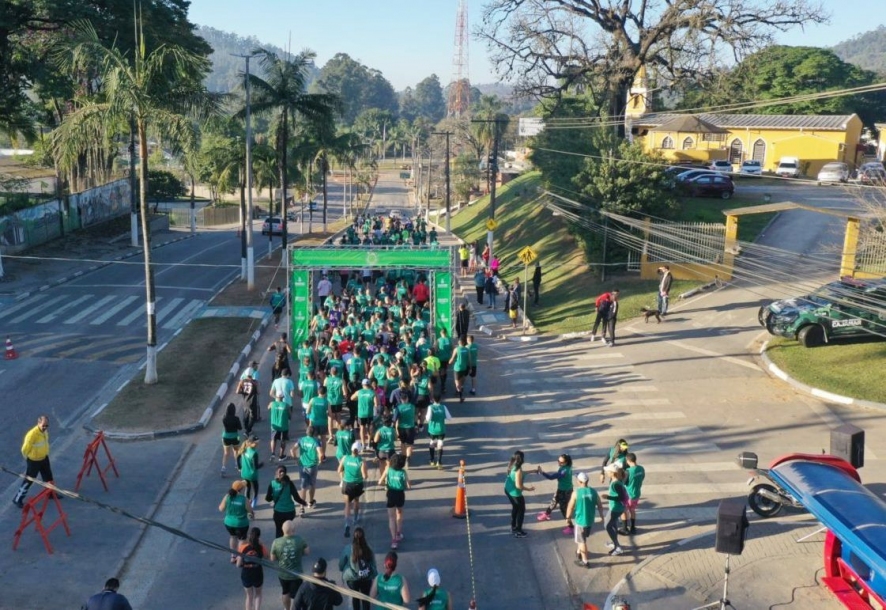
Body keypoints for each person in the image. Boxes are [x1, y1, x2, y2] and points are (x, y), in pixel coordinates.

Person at [565, 472, 605, 568]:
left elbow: (570, 507)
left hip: (580, 521)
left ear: (579, 481)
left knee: (582, 541)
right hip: (590, 520)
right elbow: (600, 505)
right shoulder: (593, 491)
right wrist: (602, 517)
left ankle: (585, 561)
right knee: (582, 538)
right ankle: (579, 552)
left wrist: (568, 518)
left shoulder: (576, 493)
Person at [13, 415, 54, 508]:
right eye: (43, 425)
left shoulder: (44, 432)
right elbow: (24, 450)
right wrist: (29, 460)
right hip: (34, 461)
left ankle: (50, 494)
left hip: (44, 458)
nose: (45, 428)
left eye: (47, 426)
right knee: (29, 480)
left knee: (48, 477)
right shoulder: (32, 434)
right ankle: (17, 499)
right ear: (38, 423)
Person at [271, 519, 310, 610]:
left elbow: (272, 558)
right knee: (297, 595)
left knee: (285, 592)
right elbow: (307, 552)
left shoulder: (276, 542)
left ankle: (286, 608)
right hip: (296, 574)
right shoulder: (300, 540)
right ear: (293, 530)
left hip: (283, 574)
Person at [339, 526, 377, 610]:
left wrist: (343, 571)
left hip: (353, 580)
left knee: (355, 597)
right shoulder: (368, 548)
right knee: (366, 598)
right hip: (366, 578)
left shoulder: (348, 548)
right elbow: (373, 564)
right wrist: (374, 577)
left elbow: (341, 564)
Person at [536, 454, 575, 534]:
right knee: (554, 502)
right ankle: (547, 514)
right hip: (562, 489)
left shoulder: (564, 471)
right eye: (558, 461)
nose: (559, 463)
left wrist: (542, 472)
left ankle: (571, 527)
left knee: (564, 509)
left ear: (566, 462)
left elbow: (551, 477)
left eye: (561, 462)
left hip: (565, 492)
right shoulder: (566, 467)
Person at [378, 453, 411, 550]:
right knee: (399, 513)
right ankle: (398, 533)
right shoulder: (403, 472)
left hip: (390, 494)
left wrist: (387, 483)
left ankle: (393, 541)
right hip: (400, 494)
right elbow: (408, 485)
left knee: (391, 517)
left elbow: (380, 482)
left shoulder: (388, 469)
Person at [266, 465, 308, 538]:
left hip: (278, 513)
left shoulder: (272, 484)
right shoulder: (289, 483)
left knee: (279, 531)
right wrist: (304, 503)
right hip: (290, 512)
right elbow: (296, 498)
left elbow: (268, 498)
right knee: (288, 531)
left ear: (276, 473)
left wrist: (274, 497)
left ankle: (279, 546)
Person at [338, 441, 368, 538]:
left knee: (347, 504)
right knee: (356, 501)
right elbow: (365, 476)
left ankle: (347, 523)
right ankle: (355, 518)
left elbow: (339, 470)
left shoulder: (345, 458)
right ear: (359, 451)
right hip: (357, 484)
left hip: (347, 483)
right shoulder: (361, 461)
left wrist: (343, 477)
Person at [220, 480, 253, 564]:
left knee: (232, 537)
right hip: (241, 524)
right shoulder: (243, 499)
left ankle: (233, 556)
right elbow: (250, 511)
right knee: (242, 539)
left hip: (229, 523)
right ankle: (239, 557)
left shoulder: (227, 497)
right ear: (241, 489)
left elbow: (221, 509)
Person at [504, 450, 534, 538]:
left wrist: (533, 471)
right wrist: (529, 489)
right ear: (522, 459)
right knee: (521, 511)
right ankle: (518, 531)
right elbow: (518, 486)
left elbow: (521, 474)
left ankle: (513, 527)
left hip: (507, 489)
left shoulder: (511, 464)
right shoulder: (518, 470)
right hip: (515, 493)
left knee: (515, 508)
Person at [237, 526, 269, 610]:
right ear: (259, 536)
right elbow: (266, 556)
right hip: (257, 573)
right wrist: (262, 544)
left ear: (249, 535)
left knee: (248, 596)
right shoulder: (261, 547)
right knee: (258, 594)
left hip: (246, 574)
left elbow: (238, 564)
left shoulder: (243, 547)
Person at [295, 426, 322, 514]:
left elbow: (292, 450)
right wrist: (320, 461)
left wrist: (296, 459)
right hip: (313, 466)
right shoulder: (316, 441)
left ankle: (302, 507)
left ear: (306, 432)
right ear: (314, 433)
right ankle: (311, 502)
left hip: (302, 466)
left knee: (303, 487)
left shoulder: (301, 440)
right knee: (312, 484)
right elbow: (320, 454)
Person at [602, 466, 628, 556]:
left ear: (612, 473)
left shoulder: (616, 483)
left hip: (616, 509)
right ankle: (615, 542)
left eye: (608, 471)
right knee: (613, 525)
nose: (606, 472)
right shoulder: (616, 481)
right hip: (616, 507)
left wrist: (607, 497)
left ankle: (617, 547)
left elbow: (621, 497)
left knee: (607, 526)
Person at [620, 452, 646, 535]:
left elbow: (623, 483)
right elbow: (642, 478)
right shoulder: (641, 468)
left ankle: (624, 528)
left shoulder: (628, 471)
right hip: (637, 494)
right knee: (632, 510)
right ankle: (633, 528)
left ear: (628, 461)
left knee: (623, 511)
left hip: (628, 495)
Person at [425, 396, 452, 469]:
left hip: (432, 429)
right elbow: (449, 418)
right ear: (440, 399)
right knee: (440, 443)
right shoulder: (443, 407)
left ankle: (432, 460)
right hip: (441, 429)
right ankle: (439, 462)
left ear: (433, 399)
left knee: (432, 442)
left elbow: (428, 418)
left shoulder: (430, 407)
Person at [237, 435, 263, 510]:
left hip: (244, 473)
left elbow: (238, 457)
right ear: (250, 443)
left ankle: (246, 502)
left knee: (248, 488)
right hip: (252, 475)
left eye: (257, 443)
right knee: (256, 490)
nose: (257, 444)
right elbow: (256, 466)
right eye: (255, 443)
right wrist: (262, 465)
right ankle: (252, 505)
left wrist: (239, 467)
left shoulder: (244, 449)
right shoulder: (254, 453)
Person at [269, 391, 292, 461]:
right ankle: (281, 456)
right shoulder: (286, 405)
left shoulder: (272, 404)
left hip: (274, 426)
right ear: (282, 397)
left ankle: (273, 453)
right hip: (283, 426)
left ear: (276, 397)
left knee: (273, 439)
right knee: (283, 440)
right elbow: (290, 415)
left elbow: (268, 408)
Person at [221, 402, 243, 477]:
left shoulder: (224, 418)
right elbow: (240, 428)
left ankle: (223, 468)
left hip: (225, 437)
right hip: (235, 436)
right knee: (236, 450)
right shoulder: (236, 419)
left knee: (226, 453)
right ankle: (237, 464)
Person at [449, 336, 470, 402]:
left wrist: (449, 362)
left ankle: (460, 395)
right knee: (461, 380)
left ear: (459, 342)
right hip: (464, 368)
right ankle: (459, 390)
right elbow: (469, 360)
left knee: (457, 382)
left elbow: (452, 359)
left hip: (457, 368)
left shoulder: (456, 349)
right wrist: (470, 368)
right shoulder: (467, 350)